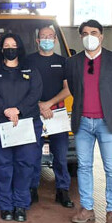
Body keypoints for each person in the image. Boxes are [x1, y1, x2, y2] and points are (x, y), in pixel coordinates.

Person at [66, 20, 112, 223]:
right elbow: (75, 90)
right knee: (84, 166)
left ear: (101, 36)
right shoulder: (73, 62)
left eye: (93, 32)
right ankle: (87, 208)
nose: (89, 36)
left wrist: (110, 109)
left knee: (111, 167)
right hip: (83, 122)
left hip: (107, 123)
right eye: (85, 33)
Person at [0, 33, 43, 223]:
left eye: (14, 45)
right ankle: (6, 206)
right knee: (3, 167)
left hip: (26, 123)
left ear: (20, 48)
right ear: (1, 49)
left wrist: (18, 110)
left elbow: (35, 93)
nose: (10, 48)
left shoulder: (31, 70)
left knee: (25, 166)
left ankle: (21, 205)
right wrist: (6, 111)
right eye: (7, 45)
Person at [26, 26, 74, 208]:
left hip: (57, 113)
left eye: (50, 36)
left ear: (55, 40)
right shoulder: (28, 61)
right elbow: (24, 86)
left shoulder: (63, 62)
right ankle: (31, 189)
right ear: (37, 40)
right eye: (43, 36)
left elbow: (68, 89)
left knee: (61, 155)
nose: (47, 39)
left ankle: (62, 191)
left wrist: (48, 104)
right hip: (33, 112)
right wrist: (38, 104)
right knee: (33, 154)